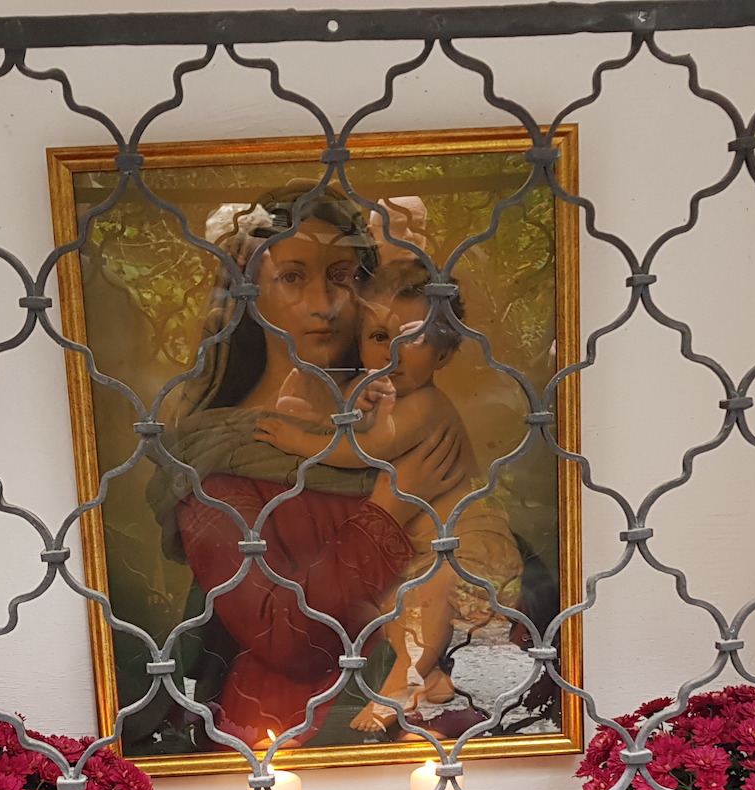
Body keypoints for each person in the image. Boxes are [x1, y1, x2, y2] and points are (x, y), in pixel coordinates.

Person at [147, 189, 470, 747]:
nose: (324, 303)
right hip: (284, 729)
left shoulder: (401, 417)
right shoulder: (219, 455)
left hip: (414, 720)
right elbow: (285, 640)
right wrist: (390, 506)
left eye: (341, 276)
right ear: (249, 293)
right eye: (293, 277)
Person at [252, 261, 523, 730]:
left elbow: (365, 450)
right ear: (360, 343)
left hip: (468, 543)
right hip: (424, 550)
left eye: (411, 339)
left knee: (429, 594)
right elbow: (358, 429)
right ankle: (430, 678)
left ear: (442, 355)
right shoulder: (387, 397)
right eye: (379, 337)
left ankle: (402, 683)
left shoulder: (424, 404)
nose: (391, 352)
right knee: (396, 608)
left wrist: (298, 441)